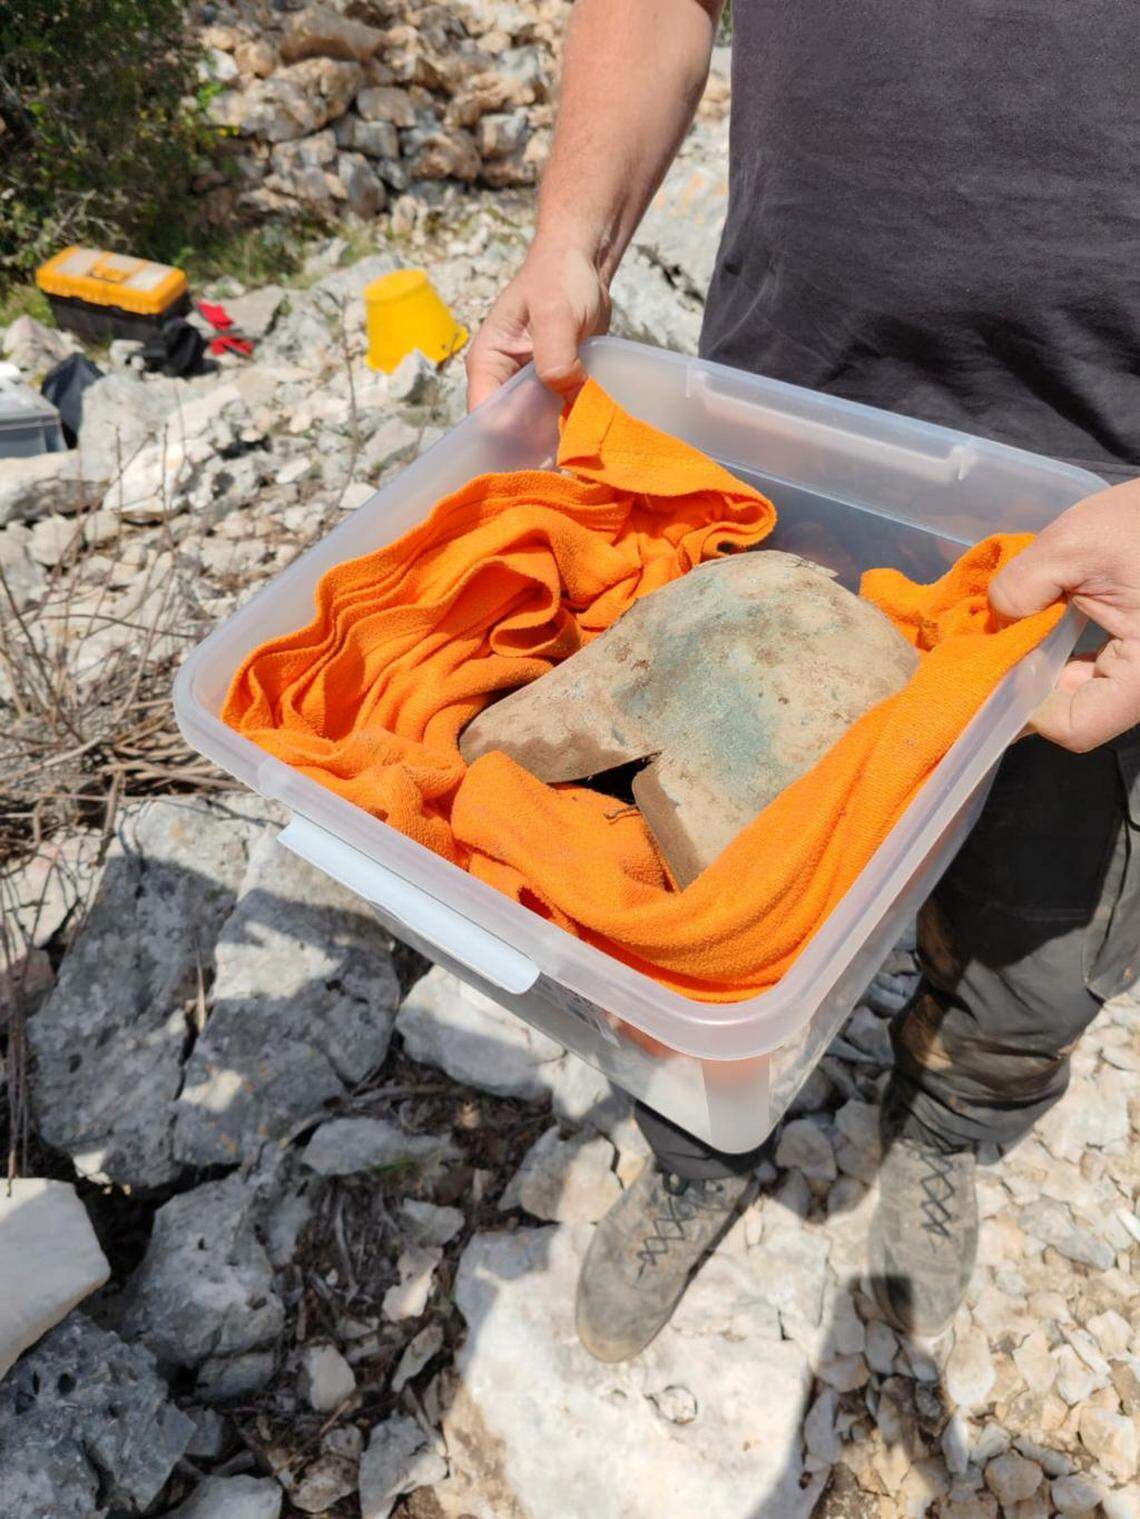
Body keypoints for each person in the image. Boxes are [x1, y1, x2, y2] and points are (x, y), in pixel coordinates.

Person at [466, 0, 1140, 1362]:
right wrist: (570, 233)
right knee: (706, 898)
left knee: (1036, 925)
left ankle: (946, 1126)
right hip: (790, 426)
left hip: (1103, 520)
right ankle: (701, 1143)